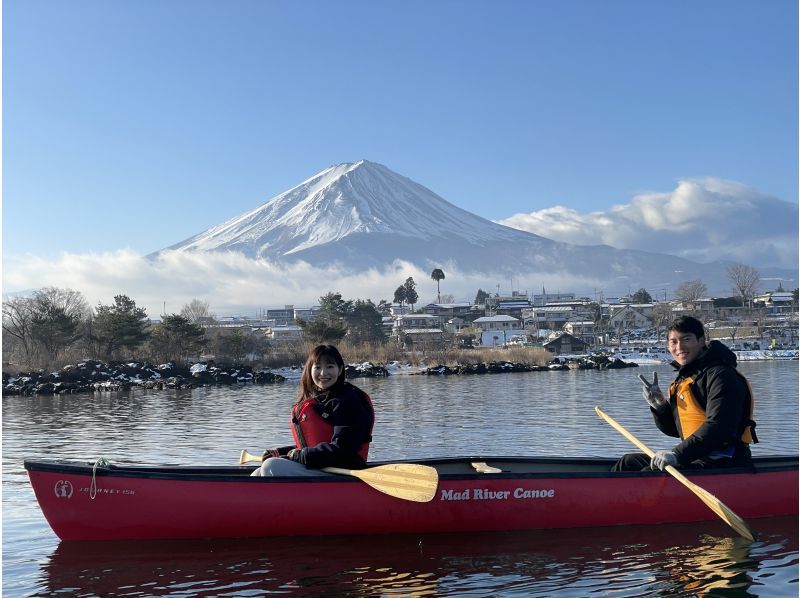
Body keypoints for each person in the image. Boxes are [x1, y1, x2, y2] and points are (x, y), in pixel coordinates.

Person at [612, 315, 757, 472]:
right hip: (696, 456)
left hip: (724, 460)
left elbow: (719, 427)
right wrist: (660, 407)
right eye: (673, 342)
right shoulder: (686, 378)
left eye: (686, 339)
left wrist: (677, 454)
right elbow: (677, 430)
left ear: (701, 341)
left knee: (648, 474)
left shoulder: (721, 375)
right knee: (628, 462)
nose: (679, 347)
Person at [251, 344, 375, 477]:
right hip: (321, 467)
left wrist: (300, 455)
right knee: (258, 473)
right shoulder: (320, 400)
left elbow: (343, 448)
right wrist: (281, 452)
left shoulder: (349, 401)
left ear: (339, 370)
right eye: (318, 367)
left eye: (330, 367)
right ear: (310, 370)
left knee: (271, 466)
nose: (323, 373)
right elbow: (313, 445)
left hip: (343, 472)